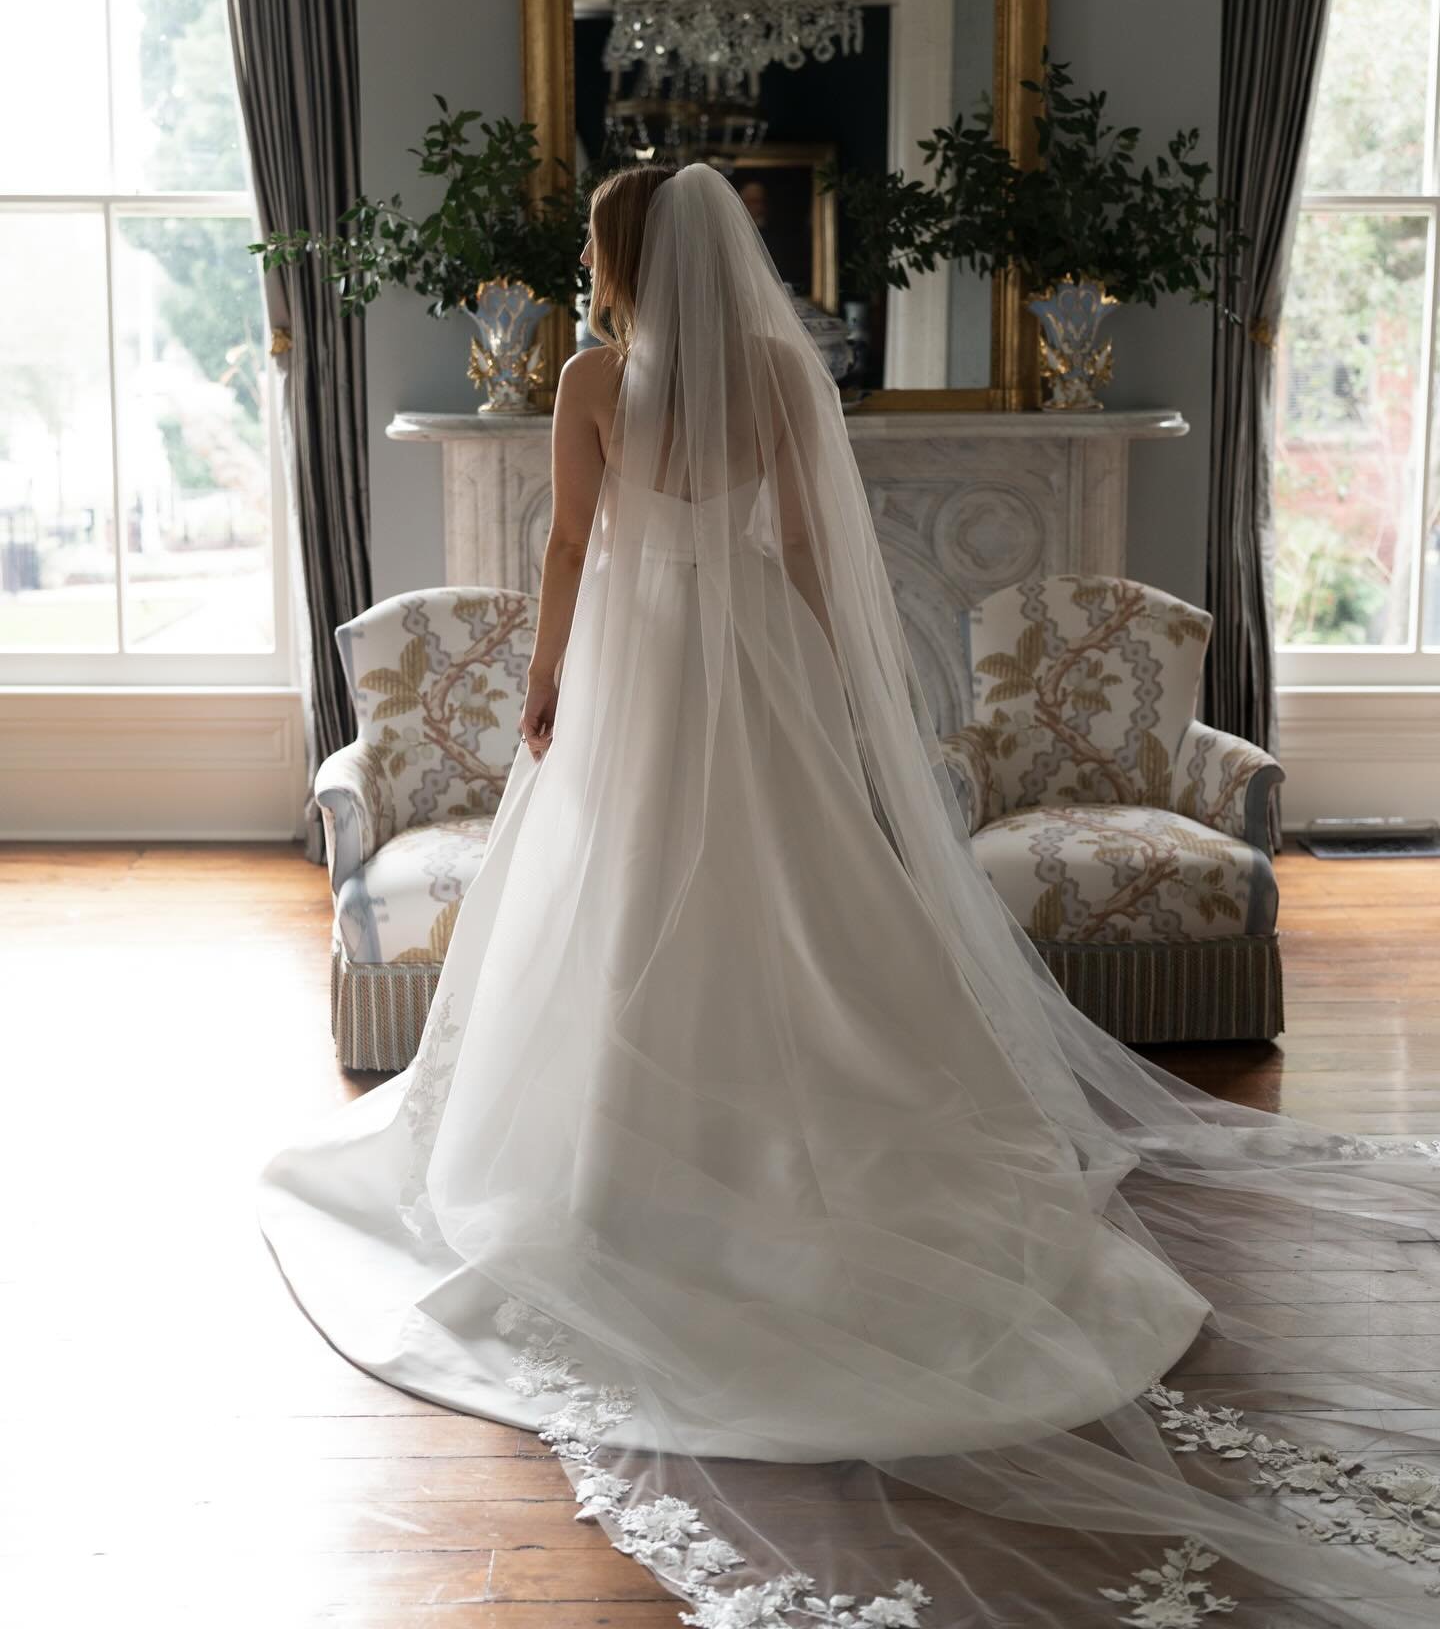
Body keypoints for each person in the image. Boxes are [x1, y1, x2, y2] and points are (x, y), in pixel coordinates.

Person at [260, 163, 1440, 1628]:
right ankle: (801, 1118)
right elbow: (815, 550)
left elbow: (568, 545)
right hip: (750, 649)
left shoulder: (589, 376)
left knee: (623, 898)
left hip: (643, 658)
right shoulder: (771, 369)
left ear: (624, 259)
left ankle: (630, 1154)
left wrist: (550, 677)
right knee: (795, 900)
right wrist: (825, 686)